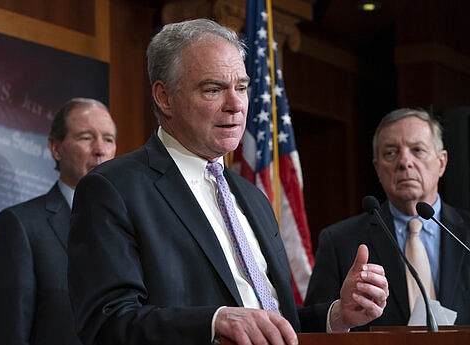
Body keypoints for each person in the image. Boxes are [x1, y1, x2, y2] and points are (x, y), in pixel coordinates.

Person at [67, 19, 388, 345]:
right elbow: (106, 321)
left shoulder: (253, 197)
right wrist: (214, 322)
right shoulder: (113, 189)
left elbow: (273, 319)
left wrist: (338, 314)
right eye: (213, 89)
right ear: (164, 97)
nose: (235, 104)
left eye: (242, 87)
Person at [304, 108, 470, 329]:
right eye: (391, 153)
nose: (404, 162)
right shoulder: (339, 241)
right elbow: (314, 327)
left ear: (442, 162)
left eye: (418, 150)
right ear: (378, 168)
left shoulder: (465, 234)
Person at [0, 97, 117, 345]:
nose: (100, 149)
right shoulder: (21, 225)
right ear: (56, 148)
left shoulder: (132, 228)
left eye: (108, 139)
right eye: (86, 137)